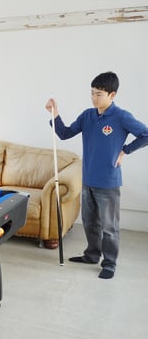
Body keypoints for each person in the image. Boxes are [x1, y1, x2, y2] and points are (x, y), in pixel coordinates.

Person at [45, 71, 148, 279]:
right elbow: (64, 134)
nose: (94, 98)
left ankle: (109, 263)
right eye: (92, 93)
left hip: (108, 182)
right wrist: (55, 115)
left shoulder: (121, 117)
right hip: (88, 179)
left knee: (109, 227)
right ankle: (92, 255)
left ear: (112, 95)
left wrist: (125, 151)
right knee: (90, 222)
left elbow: (145, 134)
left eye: (99, 94)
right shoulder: (87, 116)